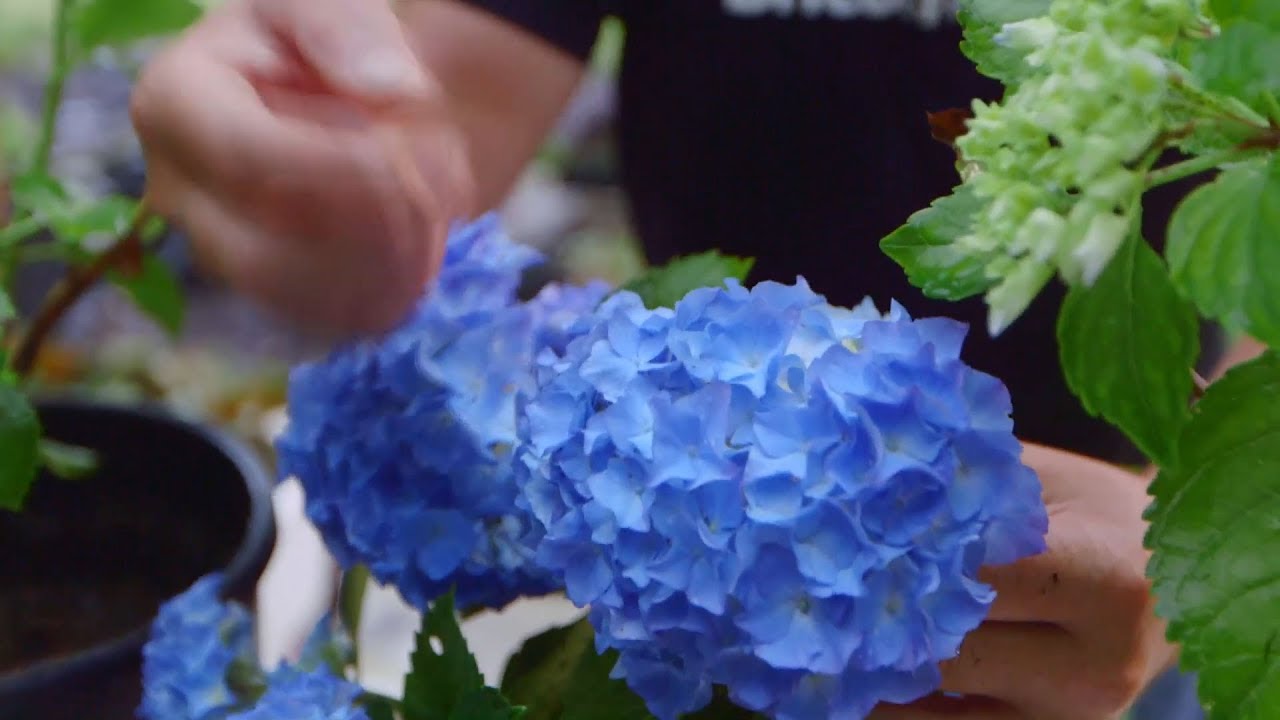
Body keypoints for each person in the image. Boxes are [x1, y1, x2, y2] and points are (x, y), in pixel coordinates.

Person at [128, 1, 1261, 717]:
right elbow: (436, 111)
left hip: (1125, 575)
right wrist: (315, 152)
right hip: (720, 608)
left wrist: (1209, 526)